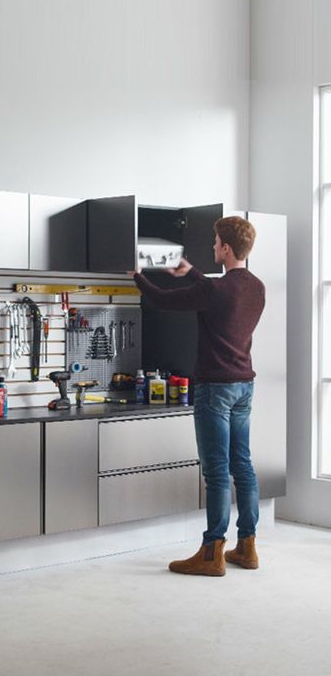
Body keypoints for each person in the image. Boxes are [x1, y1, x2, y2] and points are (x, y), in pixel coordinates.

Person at [128, 216, 265, 576]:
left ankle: (211, 553)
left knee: (217, 472)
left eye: (216, 241)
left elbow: (160, 300)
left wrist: (137, 276)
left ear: (226, 248)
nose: (212, 246)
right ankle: (247, 547)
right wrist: (191, 273)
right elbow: (219, 294)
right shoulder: (257, 287)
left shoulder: (213, 290)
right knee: (243, 467)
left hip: (214, 389)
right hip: (244, 386)